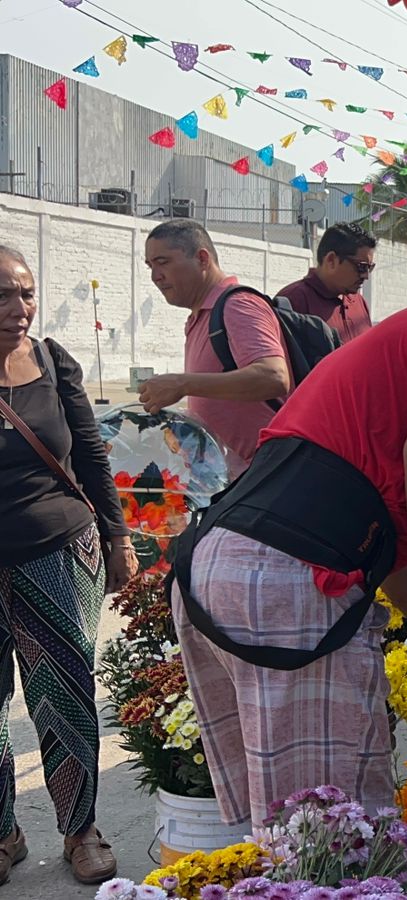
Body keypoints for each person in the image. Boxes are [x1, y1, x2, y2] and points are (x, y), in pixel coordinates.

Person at [170, 255, 407, 828]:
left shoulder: (405, 333)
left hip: (223, 562)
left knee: (311, 828)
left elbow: (382, 550)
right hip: (287, 576)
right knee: (328, 836)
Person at [0, 246, 136, 885]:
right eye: (3, 295)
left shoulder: (54, 362)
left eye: (25, 293)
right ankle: (4, 832)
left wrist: (119, 538)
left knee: (64, 694)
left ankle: (81, 829)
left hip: (56, 548)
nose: (18, 309)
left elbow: (91, 454)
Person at [138, 219, 291, 476]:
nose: (155, 277)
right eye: (150, 266)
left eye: (163, 262)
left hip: (266, 480)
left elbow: (273, 377)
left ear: (202, 259)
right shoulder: (200, 317)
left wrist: (183, 384)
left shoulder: (238, 305)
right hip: (229, 482)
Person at [276, 223, 377, 344]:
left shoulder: (359, 302)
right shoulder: (292, 301)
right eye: (361, 267)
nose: (366, 276)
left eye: (369, 268)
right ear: (331, 260)